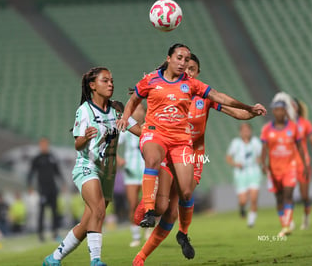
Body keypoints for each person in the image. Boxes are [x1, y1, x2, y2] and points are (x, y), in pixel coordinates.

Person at [131, 53, 264, 265]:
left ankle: (175, 238)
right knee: (163, 208)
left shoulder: (204, 97)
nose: (187, 70)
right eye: (185, 66)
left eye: (192, 68)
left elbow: (235, 112)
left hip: (193, 155)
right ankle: (146, 215)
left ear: (197, 73)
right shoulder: (167, 93)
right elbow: (150, 124)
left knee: (181, 198)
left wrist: (252, 111)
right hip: (169, 150)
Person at [43, 67, 141, 266]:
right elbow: (77, 143)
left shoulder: (117, 109)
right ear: (92, 85)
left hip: (109, 172)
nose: (111, 84)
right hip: (87, 167)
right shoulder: (84, 111)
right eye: (105, 81)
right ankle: (95, 261)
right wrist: (85, 137)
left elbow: (138, 129)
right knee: (98, 210)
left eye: (112, 80)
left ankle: (53, 258)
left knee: (88, 221)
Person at [260, 100, 308, 237]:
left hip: (290, 167)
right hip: (274, 169)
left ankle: (287, 226)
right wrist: (263, 164)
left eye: (282, 109)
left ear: (285, 111)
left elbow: (299, 147)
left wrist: (304, 164)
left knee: (288, 195)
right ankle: (285, 224)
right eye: (277, 110)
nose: (280, 112)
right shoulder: (267, 129)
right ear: (273, 112)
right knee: (279, 198)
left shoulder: (293, 128)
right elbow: (264, 149)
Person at [117, 103, 147, 247]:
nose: (137, 111)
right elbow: (115, 145)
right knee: (133, 204)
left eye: (140, 109)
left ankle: (148, 230)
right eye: (134, 109)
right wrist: (118, 159)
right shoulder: (127, 128)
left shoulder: (149, 126)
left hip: (147, 169)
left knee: (149, 203)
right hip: (131, 171)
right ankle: (136, 236)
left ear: (144, 112)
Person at [226, 122, 262, 227]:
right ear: (240, 132)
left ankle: (251, 221)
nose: (246, 132)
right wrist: (235, 164)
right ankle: (242, 208)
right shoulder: (236, 143)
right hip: (240, 173)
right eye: (243, 130)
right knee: (243, 200)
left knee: (254, 197)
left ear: (251, 131)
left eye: (247, 130)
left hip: (253, 171)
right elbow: (228, 157)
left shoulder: (255, 142)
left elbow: (262, 153)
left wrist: (260, 159)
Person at [28, 138, 63, 241]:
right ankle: (41, 234)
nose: (44, 146)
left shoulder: (52, 157)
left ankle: (55, 233)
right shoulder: (37, 158)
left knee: (54, 211)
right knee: (42, 212)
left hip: (53, 188)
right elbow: (31, 173)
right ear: (40, 145)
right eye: (42, 144)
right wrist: (30, 185)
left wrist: (63, 182)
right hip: (43, 189)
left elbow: (57, 171)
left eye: (45, 144)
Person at [293, 99, 312, 229]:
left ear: (297, 108)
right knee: (286, 193)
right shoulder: (283, 124)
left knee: (304, 195)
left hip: (303, 163)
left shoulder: (305, 124)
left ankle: (306, 217)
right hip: (288, 164)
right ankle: (288, 221)